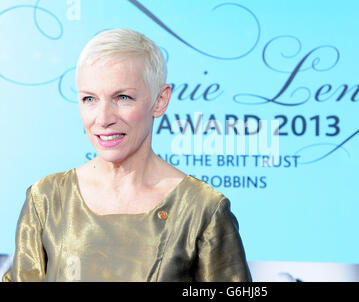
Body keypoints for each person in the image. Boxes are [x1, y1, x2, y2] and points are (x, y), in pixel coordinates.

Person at [3, 29, 252, 282]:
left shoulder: (202, 209)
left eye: (123, 97)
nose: (103, 119)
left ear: (160, 101)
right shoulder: (46, 199)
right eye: (90, 98)